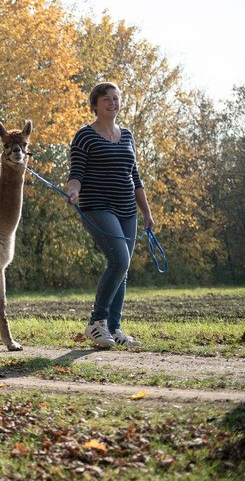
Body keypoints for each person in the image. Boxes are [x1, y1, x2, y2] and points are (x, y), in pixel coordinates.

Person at [66, 82, 155, 348]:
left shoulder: (127, 135)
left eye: (116, 99)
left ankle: (114, 328)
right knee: (119, 260)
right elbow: (76, 174)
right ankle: (96, 323)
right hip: (97, 207)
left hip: (127, 210)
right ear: (95, 105)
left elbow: (135, 178)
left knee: (123, 268)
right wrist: (73, 191)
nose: (113, 103)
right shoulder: (85, 135)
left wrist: (147, 213)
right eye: (106, 99)